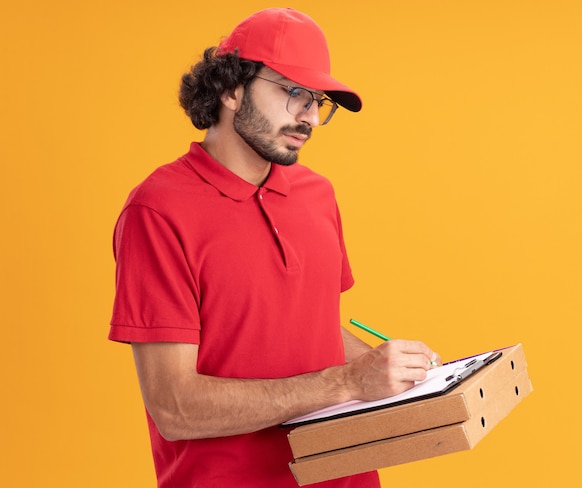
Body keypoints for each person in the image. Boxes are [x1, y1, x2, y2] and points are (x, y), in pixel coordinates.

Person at [109, 7, 440, 487]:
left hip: (344, 475)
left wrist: (396, 373)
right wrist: (348, 382)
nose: (309, 116)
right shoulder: (157, 212)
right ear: (231, 88)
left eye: (318, 101)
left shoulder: (317, 193)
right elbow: (174, 407)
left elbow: (314, 330)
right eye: (294, 93)